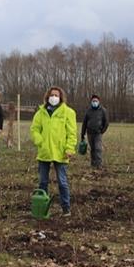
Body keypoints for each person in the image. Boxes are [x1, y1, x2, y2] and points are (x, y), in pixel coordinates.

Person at [31, 86, 77, 216]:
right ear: (47, 97)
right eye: (52, 95)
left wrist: (69, 148)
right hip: (44, 152)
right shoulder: (40, 113)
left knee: (62, 182)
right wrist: (40, 142)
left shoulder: (68, 113)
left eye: (56, 95)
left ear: (61, 97)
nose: (54, 97)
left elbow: (72, 133)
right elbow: (34, 130)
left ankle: (66, 208)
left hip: (61, 152)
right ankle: (42, 208)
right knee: (43, 182)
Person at [81, 94, 109, 169]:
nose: (94, 102)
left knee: (98, 148)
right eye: (93, 101)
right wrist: (82, 134)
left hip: (98, 133)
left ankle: (99, 164)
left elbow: (106, 122)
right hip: (89, 133)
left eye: (96, 101)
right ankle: (93, 164)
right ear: (91, 102)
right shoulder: (88, 111)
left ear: (99, 101)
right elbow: (84, 123)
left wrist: (102, 131)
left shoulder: (103, 110)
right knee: (92, 149)